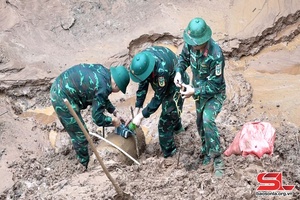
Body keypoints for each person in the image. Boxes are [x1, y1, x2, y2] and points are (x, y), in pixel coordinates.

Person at [50, 63, 130, 169]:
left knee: (81, 131)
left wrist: (114, 111)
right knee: (81, 134)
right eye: (119, 89)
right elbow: (97, 118)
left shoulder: (104, 73)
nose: (117, 92)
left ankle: (83, 160)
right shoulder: (103, 87)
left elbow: (101, 97)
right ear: (115, 85)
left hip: (61, 85)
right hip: (62, 97)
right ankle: (84, 165)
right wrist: (112, 122)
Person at [174, 17, 226, 177]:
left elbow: (215, 85)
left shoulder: (216, 55)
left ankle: (217, 160)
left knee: (207, 120)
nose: (193, 46)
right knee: (199, 123)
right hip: (197, 92)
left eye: (196, 43)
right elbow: (183, 59)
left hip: (214, 94)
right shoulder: (191, 44)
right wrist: (178, 72)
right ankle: (206, 151)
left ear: (204, 40)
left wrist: (193, 91)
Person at [129, 46, 189, 158]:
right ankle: (178, 128)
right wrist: (138, 107)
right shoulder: (144, 61)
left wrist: (141, 116)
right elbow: (143, 84)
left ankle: (170, 153)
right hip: (167, 78)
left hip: (177, 84)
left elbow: (157, 99)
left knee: (165, 122)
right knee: (172, 111)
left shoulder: (162, 71)